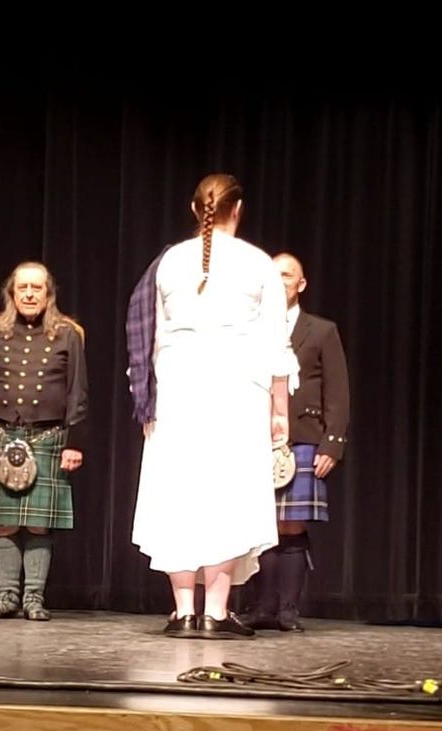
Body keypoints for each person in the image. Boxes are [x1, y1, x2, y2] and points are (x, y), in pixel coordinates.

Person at [131, 173, 298, 639]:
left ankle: (184, 610)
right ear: (238, 211)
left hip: (179, 389)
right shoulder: (257, 262)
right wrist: (279, 409)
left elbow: (153, 335)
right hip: (236, 390)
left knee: (179, 492)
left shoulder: (169, 262)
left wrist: (148, 399)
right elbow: (275, 343)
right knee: (226, 493)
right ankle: (215, 612)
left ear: (194, 208)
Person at [0, 262, 88, 621]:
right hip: (1, 434)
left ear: (48, 293)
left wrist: (75, 442)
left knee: (39, 523)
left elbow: (77, 391)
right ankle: (7, 596)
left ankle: (33, 598)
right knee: (2, 522)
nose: (30, 294)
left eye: (37, 288)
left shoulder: (69, 333)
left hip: (49, 437)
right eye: (23, 288)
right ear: (12, 293)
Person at [243, 253, 350, 632]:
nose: (279, 281)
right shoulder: (250, 329)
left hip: (302, 439)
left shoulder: (320, 330)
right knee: (260, 524)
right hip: (253, 439)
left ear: (300, 284)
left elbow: (337, 391)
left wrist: (332, 444)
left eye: (286, 275)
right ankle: (261, 607)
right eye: (273, 276)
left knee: (290, 524)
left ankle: (287, 610)